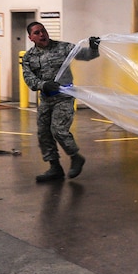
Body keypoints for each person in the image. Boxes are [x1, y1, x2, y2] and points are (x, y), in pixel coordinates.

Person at [22, 21, 100, 182]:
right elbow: (29, 78)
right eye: (37, 33)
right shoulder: (29, 57)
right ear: (31, 38)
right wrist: (43, 84)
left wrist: (94, 47)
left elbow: (86, 55)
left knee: (58, 129)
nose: (42, 34)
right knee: (44, 133)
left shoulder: (63, 47)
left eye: (43, 30)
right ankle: (55, 167)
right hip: (46, 98)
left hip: (64, 96)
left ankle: (75, 157)